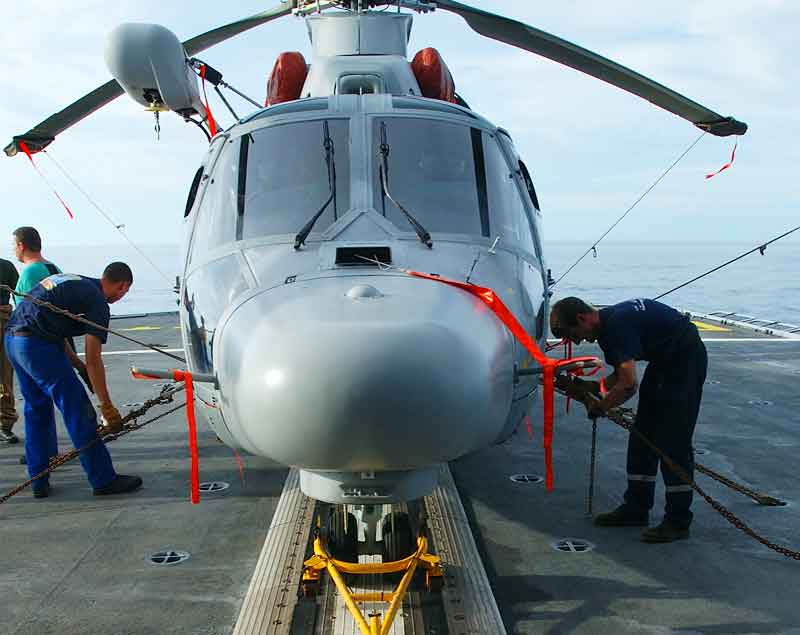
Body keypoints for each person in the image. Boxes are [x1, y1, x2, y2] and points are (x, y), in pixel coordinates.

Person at [550, 297, 707, 543]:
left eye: (575, 333)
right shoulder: (609, 324)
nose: (579, 340)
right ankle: (636, 508)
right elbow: (620, 376)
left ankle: (678, 521)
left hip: (684, 362)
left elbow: (629, 385)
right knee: (642, 435)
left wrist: (600, 407)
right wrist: (596, 387)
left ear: (582, 318)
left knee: (672, 442)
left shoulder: (615, 328)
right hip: (664, 362)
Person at [4, 262, 142, 498]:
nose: (120, 297)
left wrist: (79, 368)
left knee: (36, 409)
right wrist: (106, 406)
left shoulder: (75, 281)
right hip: (37, 347)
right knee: (77, 409)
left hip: (13, 342)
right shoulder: (98, 301)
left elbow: (56, 334)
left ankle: (38, 480)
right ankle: (103, 479)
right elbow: (94, 358)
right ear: (122, 286)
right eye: (124, 293)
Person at [0, 257, 20, 443]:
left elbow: (20, 294)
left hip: (3, 322)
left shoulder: (5, 266)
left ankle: (4, 423)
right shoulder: (6, 266)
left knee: (3, 375)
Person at [13, 226, 62, 296]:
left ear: (21, 246)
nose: (13, 249)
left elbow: (31, 305)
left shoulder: (29, 273)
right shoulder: (56, 269)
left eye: (13, 245)